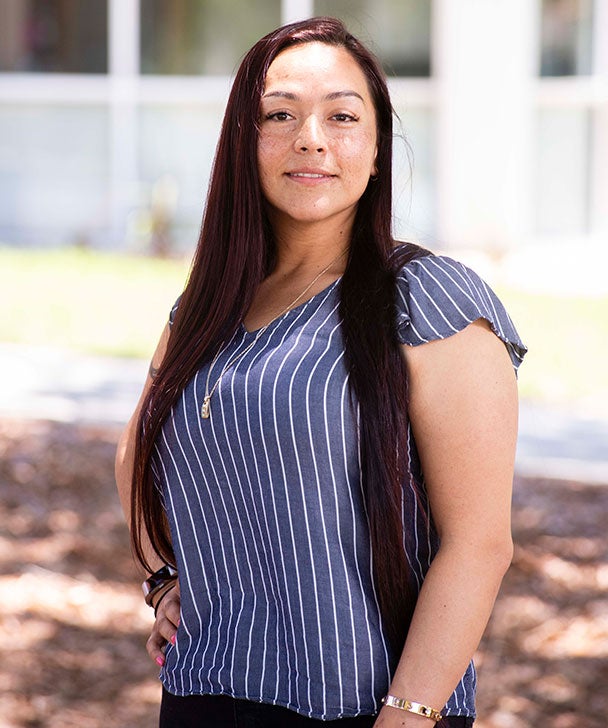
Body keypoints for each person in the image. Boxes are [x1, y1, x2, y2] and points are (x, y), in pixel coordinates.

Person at [115, 17, 526, 728]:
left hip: (368, 710)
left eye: (341, 115)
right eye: (280, 115)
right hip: (204, 693)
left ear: (375, 151)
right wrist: (163, 580)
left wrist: (409, 713)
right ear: (244, 144)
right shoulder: (205, 306)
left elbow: (480, 543)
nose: (311, 137)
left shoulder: (430, 297)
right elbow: (135, 453)